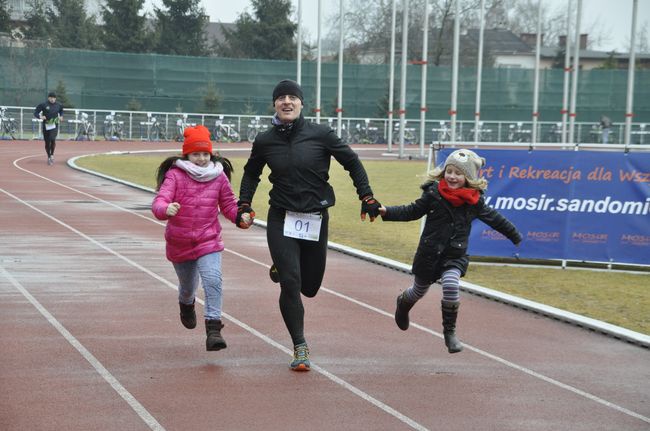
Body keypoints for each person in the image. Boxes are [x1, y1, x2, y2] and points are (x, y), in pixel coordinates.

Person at [238, 79, 381, 371]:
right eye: (281, 98)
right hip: (281, 216)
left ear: (302, 104)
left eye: (292, 97)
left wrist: (366, 196)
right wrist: (244, 204)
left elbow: (352, 162)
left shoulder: (321, 134)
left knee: (311, 287)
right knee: (291, 283)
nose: (287, 102)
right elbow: (252, 173)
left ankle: (284, 265)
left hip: (315, 216)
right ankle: (300, 346)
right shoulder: (265, 140)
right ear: (275, 104)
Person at [379, 149, 522, 353]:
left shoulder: (474, 201)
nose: (452, 177)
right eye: (449, 171)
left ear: (469, 177)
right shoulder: (433, 194)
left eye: (458, 173)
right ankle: (403, 302)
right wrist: (387, 211)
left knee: (451, 284)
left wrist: (514, 234)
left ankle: (449, 332)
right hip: (429, 253)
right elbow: (412, 211)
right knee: (418, 290)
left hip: (455, 255)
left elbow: (494, 218)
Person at [152, 125, 254, 351]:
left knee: (213, 279)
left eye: (205, 154)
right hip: (180, 241)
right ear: (186, 154)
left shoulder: (218, 176)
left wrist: (240, 217)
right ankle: (186, 304)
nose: (201, 159)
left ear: (211, 154)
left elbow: (228, 204)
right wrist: (165, 209)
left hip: (208, 239)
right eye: (196, 154)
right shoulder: (175, 175)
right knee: (188, 286)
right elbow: (160, 200)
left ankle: (214, 328)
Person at [34, 91, 64, 165]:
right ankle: (49, 156)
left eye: (54, 98)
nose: (53, 99)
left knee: (52, 139)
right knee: (47, 142)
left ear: (55, 98)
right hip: (46, 125)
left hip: (54, 125)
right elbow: (35, 112)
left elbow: (61, 111)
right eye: (51, 98)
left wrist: (61, 116)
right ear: (48, 98)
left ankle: (52, 155)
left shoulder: (59, 105)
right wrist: (40, 116)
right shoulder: (43, 105)